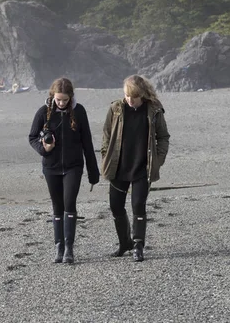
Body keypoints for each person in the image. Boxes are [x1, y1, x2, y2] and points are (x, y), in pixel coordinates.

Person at [28, 77, 100, 264]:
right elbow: (32, 137)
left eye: (65, 100)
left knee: (69, 203)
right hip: (51, 168)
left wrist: (93, 172)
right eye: (58, 99)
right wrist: (44, 149)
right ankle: (58, 247)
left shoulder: (79, 111)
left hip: (73, 167)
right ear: (53, 96)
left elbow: (87, 143)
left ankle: (69, 248)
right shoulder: (44, 112)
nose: (61, 103)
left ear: (71, 97)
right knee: (57, 206)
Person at [101, 75, 170, 262]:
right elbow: (106, 135)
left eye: (134, 97)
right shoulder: (116, 108)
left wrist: (158, 160)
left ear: (142, 94)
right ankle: (125, 243)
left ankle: (138, 245)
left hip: (142, 167)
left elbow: (163, 137)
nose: (130, 100)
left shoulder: (154, 110)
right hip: (118, 166)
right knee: (115, 206)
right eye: (127, 96)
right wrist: (105, 156)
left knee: (138, 205)